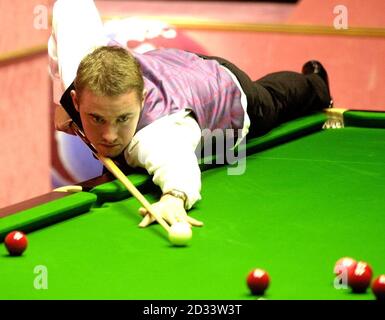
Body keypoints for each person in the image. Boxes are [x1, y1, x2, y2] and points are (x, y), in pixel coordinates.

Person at [49, 0, 333, 229]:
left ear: (142, 98)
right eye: (97, 118)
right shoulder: (80, 66)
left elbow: (179, 168)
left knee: (273, 101)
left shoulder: (159, 135)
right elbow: (70, 7)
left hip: (222, 85)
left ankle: (317, 84)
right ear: (77, 97)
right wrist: (60, 105)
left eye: (123, 118)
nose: (109, 135)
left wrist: (174, 198)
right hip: (170, 66)